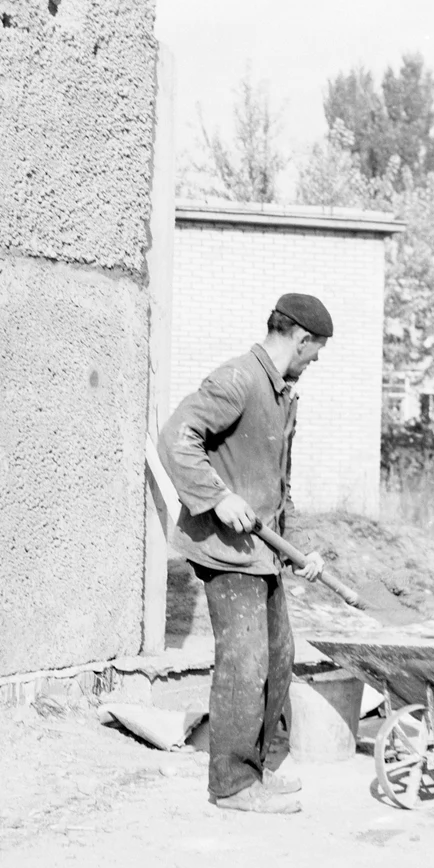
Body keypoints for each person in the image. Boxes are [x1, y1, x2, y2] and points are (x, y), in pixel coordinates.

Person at [157, 294, 332, 815]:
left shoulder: (284, 394)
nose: (314, 362)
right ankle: (231, 784)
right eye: (315, 352)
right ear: (300, 340)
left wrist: (297, 551)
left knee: (279, 659)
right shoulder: (238, 380)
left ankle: (252, 769)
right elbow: (175, 438)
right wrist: (216, 497)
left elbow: (276, 483)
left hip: (264, 552)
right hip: (226, 552)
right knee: (245, 661)